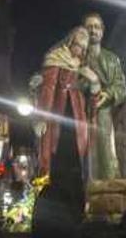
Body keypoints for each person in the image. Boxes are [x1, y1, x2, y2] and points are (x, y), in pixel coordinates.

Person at [34, 26, 96, 175]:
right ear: (70, 42)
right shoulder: (56, 58)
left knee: (76, 152)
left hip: (76, 114)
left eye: (83, 48)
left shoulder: (80, 65)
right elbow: (48, 89)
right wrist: (42, 118)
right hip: (59, 112)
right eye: (77, 46)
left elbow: (89, 93)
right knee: (56, 151)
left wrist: (93, 81)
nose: (79, 51)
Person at [82, 12, 126, 180]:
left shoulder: (112, 59)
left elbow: (121, 87)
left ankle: (106, 191)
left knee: (105, 157)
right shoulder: (76, 58)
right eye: (89, 27)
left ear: (102, 31)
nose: (93, 30)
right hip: (80, 113)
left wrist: (108, 94)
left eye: (96, 27)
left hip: (103, 113)